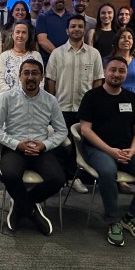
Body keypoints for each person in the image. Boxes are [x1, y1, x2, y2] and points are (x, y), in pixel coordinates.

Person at [78, 57, 135, 247]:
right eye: (113, 70)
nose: (116, 74)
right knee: (108, 172)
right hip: (98, 149)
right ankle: (112, 220)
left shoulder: (131, 98)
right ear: (105, 72)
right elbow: (85, 130)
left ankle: (131, 216)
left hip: (127, 150)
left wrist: (132, 150)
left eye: (121, 71)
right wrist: (110, 151)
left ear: (126, 74)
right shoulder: (92, 96)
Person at [0, 59, 66, 236]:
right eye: (26, 73)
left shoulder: (51, 100)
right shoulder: (7, 98)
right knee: (9, 175)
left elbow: (62, 130)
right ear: (20, 76)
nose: (30, 77)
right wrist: (17, 144)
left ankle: (20, 205)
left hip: (41, 149)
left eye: (35, 73)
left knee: (58, 179)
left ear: (42, 77)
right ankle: (33, 212)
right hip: (15, 148)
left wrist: (45, 145)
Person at [45, 15, 104, 194]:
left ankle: (74, 178)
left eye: (80, 26)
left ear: (84, 30)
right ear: (67, 30)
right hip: (61, 107)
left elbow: (98, 81)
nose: (76, 29)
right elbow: (51, 81)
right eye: (73, 26)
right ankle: (60, 178)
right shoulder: (57, 53)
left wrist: (95, 105)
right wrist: (52, 105)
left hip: (84, 109)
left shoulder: (94, 54)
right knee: (60, 145)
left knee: (78, 147)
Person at [0, 20, 42, 97]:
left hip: (32, 99)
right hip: (8, 100)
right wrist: (14, 98)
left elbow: (41, 81)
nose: (20, 35)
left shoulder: (36, 56)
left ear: (28, 36)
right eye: (17, 32)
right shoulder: (4, 56)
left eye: (24, 32)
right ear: (12, 35)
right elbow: (0, 81)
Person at [35, 0, 73, 65]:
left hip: (71, 61)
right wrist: (60, 56)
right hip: (50, 62)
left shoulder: (72, 18)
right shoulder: (43, 17)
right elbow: (42, 40)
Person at [109, 28, 135, 99]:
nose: (126, 40)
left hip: (134, 98)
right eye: (122, 37)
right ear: (117, 41)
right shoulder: (108, 60)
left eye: (129, 38)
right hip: (113, 96)